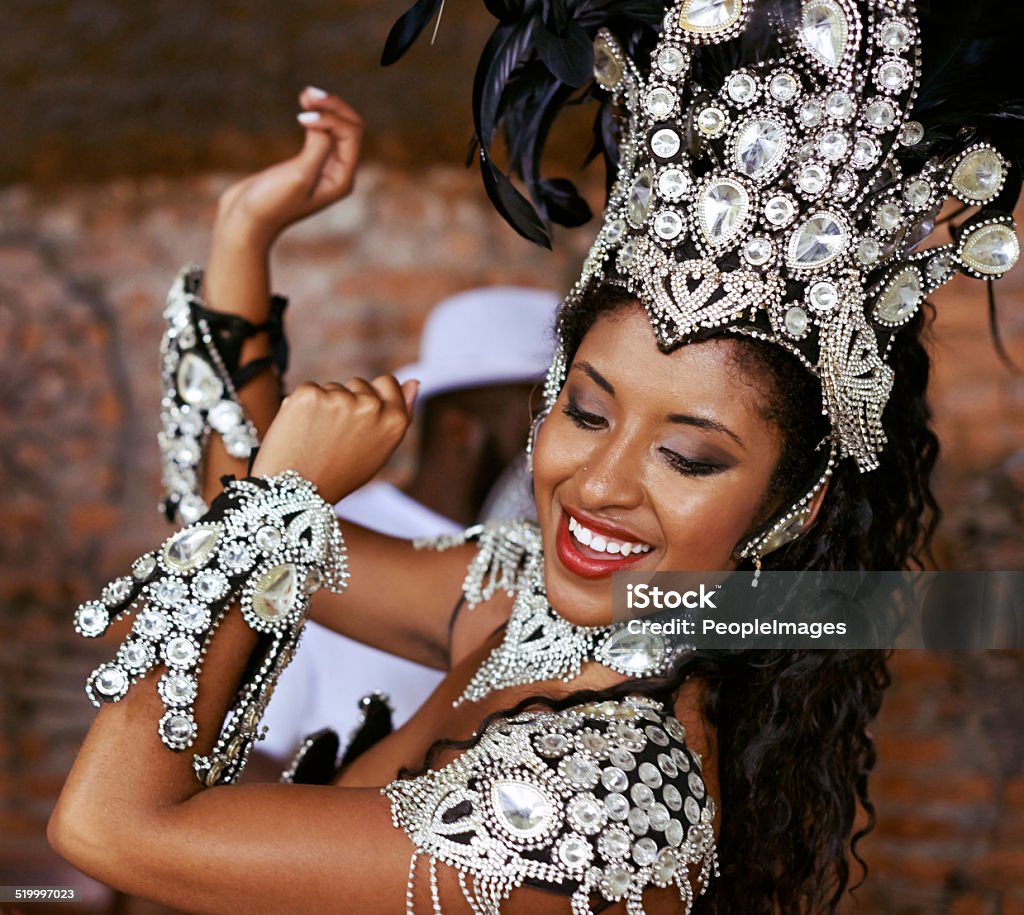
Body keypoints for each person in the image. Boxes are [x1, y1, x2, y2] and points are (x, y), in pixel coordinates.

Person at [49, 2, 1022, 913]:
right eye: (588, 413)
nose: (597, 484)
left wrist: (280, 502)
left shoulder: (607, 808)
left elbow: (112, 828)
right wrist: (243, 238)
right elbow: (222, 512)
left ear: (793, 506)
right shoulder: (530, 612)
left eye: (687, 458)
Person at [258, 285, 559, 762]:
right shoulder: (333, 541)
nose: (562, 446)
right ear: (461, 429)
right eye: (541, 417)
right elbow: (257, 755)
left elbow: (700, 609)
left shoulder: (580, 574)